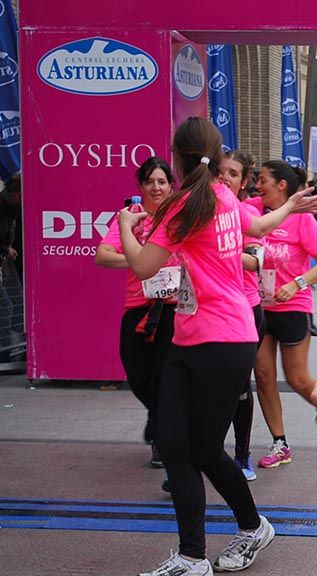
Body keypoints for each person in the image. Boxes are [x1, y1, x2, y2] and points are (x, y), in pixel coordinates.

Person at [117, 117, 317, 576]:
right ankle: (200, 555)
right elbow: (256, 224)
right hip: (193, 338)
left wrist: (124, 225)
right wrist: (291, 207)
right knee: (175, 444)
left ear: (176, 159)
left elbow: (140, 263)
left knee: (201, 449)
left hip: (225, 339)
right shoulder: (222, 197)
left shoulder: (185, 206)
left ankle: (240, 533)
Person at [96, 158, 176, 477]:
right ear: (140, 187)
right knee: (138, 375)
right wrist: (140, 260)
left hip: (172, 307)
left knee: (163, 375)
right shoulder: (131, 219)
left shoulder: (178, 217)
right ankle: (157, 417)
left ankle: (161, 439)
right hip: (137, 306)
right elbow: (102, 256)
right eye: (149, 182)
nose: (156, 188)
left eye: (162, 182)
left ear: (171, 186)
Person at [253, 161, 317, 468]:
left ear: (281, 185)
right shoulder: (254, 211)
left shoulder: (301, 221)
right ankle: (279, 443)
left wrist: (296, 284)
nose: (257, 186)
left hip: (293, 305)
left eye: (262, 180)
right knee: (263, 376)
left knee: (297, 378)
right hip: (260, 306)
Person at [219, 150, 267, 480]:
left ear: (243, 182)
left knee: (238, 384)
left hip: (246, 308)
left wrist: (219, 250)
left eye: (233, 174)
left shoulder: (246, 213)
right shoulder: (203, 209)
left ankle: (242, 454)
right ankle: (203, 455)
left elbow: (256, 261)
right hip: (209, 308)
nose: (225, 178)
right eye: (221, 172)